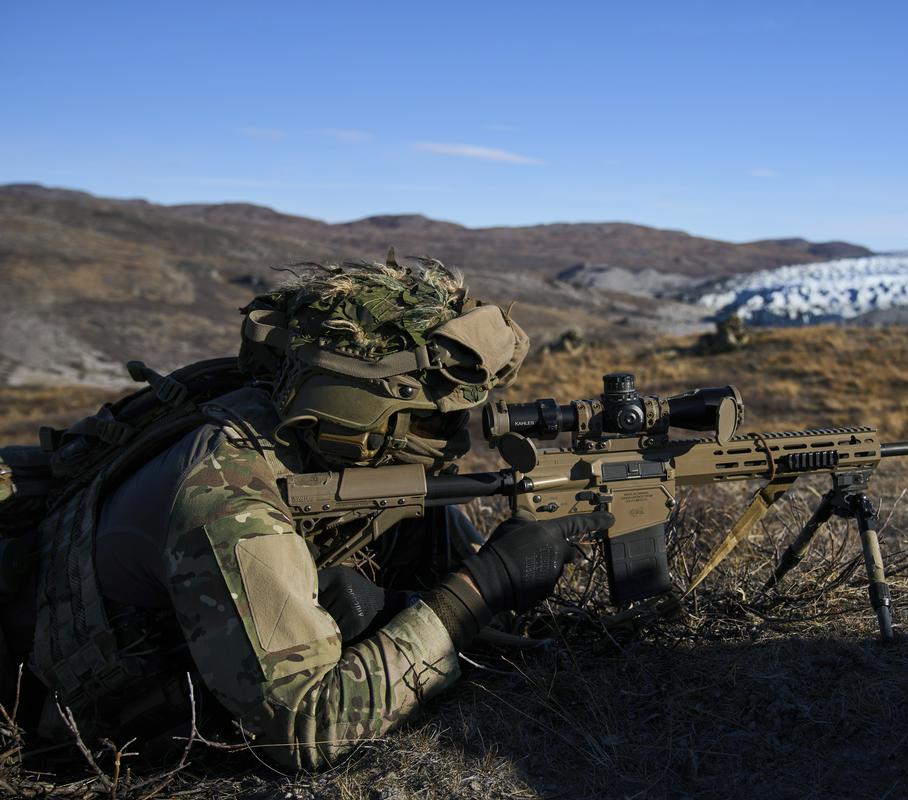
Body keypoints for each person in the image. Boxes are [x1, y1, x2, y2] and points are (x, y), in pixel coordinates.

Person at [0, 255, 613, 770]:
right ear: (355, 404)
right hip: (83, 718)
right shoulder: (227, 493)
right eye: (433, 417)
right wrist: (483, 587)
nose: (452, 440)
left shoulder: (302, 430)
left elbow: (434, 566)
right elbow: (304, 727)